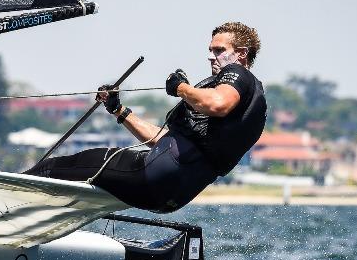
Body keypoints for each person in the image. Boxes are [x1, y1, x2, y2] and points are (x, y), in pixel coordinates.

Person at [25, 22, 267, 212]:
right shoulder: (248, 106)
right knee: (77, 184)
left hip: (153, 175)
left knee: (53, 168)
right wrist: (119, 111)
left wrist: (181, 88)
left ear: (241, 54)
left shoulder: (238, 75)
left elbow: (217, 104)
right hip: (169, 196)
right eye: (210, 50)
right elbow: (163, 139)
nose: (211, 56)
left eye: (219, 50)